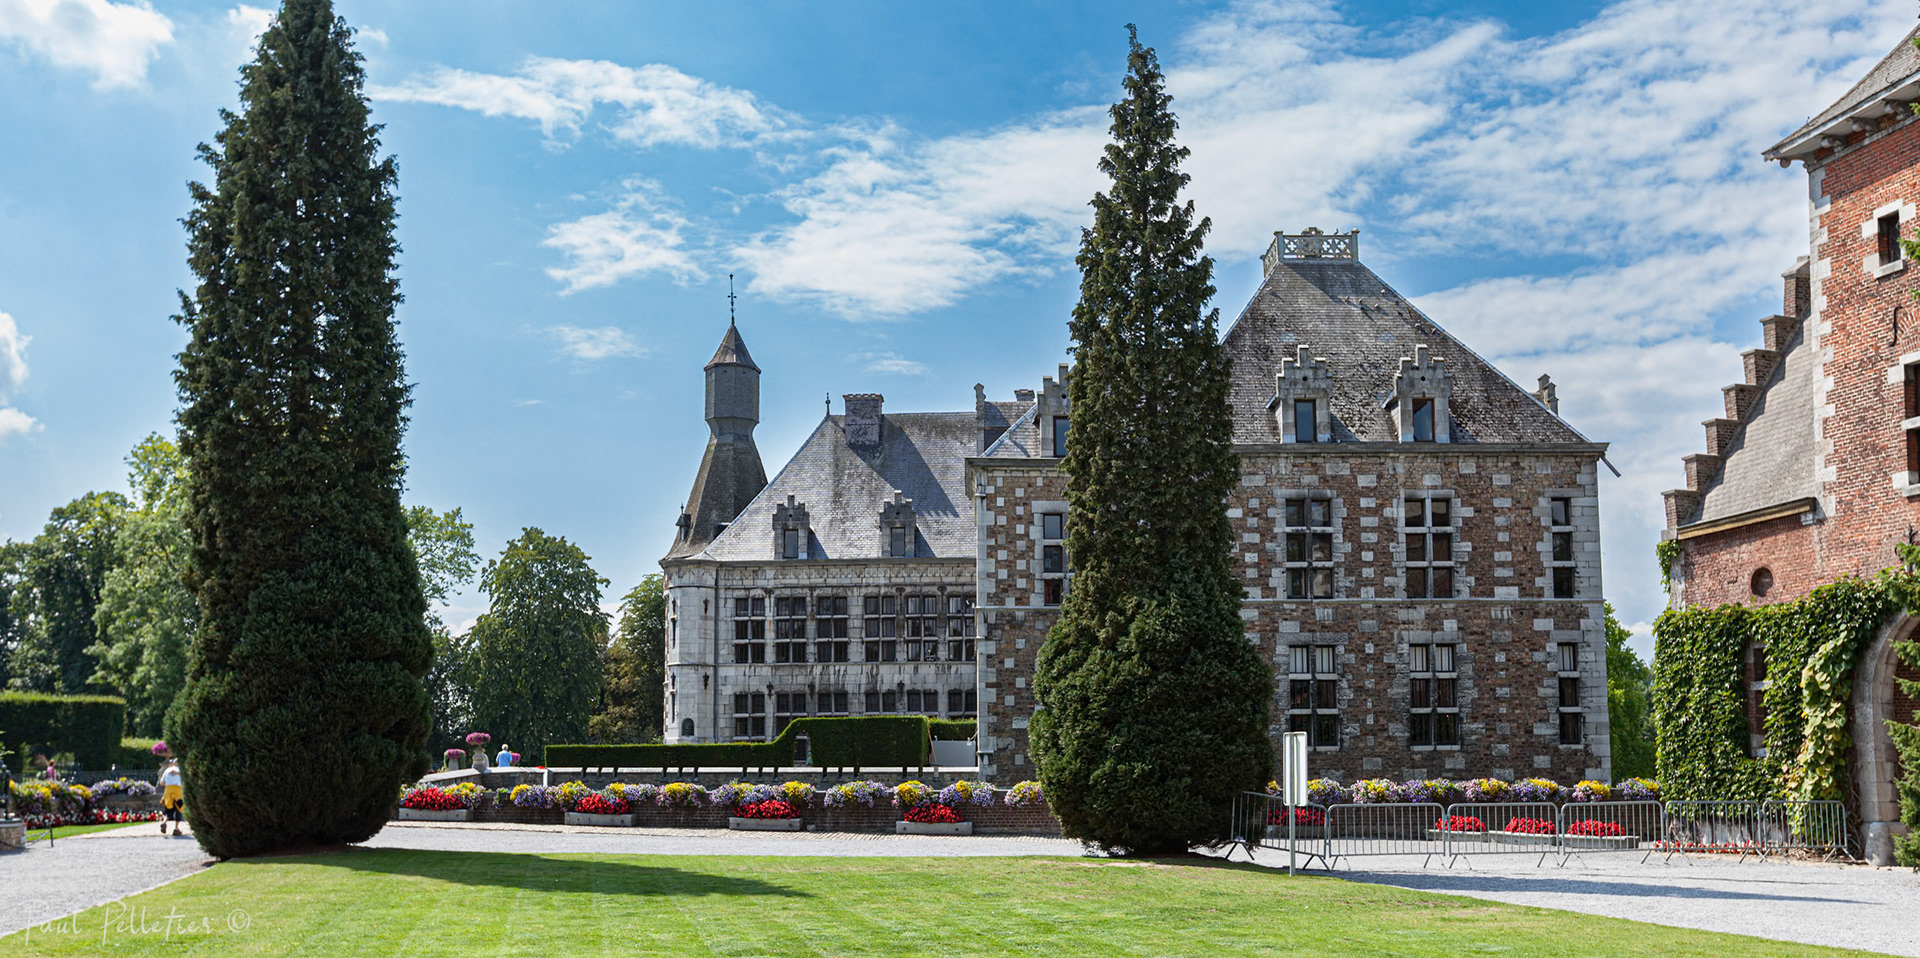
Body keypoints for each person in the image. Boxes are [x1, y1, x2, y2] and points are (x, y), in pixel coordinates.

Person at [159, 760, 184, 836]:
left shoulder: (167, 770)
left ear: (173, 763)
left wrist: (169, 783)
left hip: (168, 791)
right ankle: (176, 829)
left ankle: (164, 822)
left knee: (168, 810)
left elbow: (161, 782)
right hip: (177, 791)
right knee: (179, 809)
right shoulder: (181, 770)